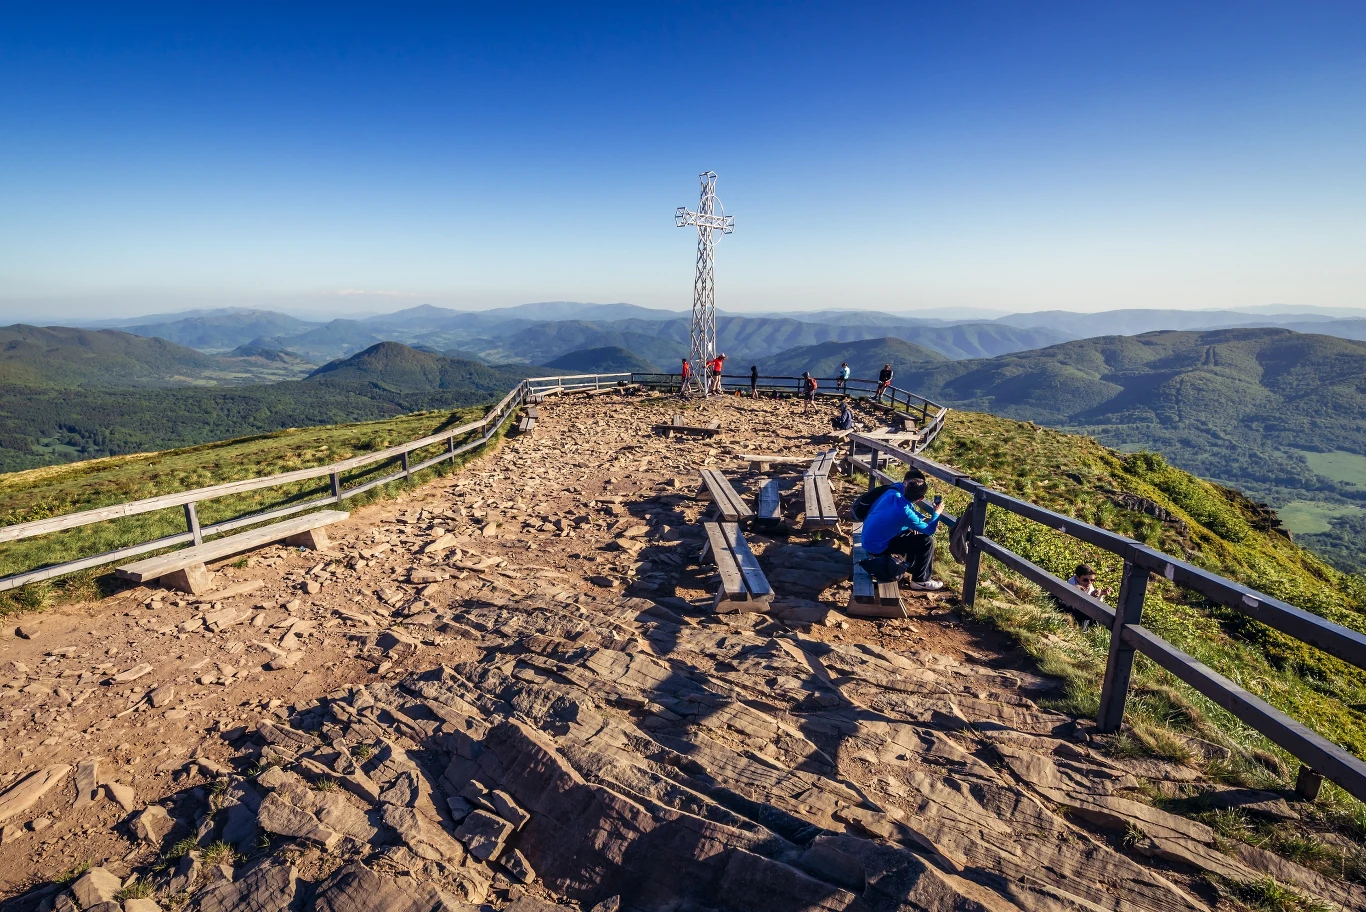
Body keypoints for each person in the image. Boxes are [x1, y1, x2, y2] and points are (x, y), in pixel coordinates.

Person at [862, 474, 945, 590]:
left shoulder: (892, 495)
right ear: (921, 499)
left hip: (867, 540)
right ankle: (921, 580)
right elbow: (929, 531)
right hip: (877, 547)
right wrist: (937, 513)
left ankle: (912, 568)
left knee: (913, 533)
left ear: (905, 488)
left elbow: (898, 516)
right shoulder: (905, 513)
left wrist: (914, 523)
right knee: (927, 541)